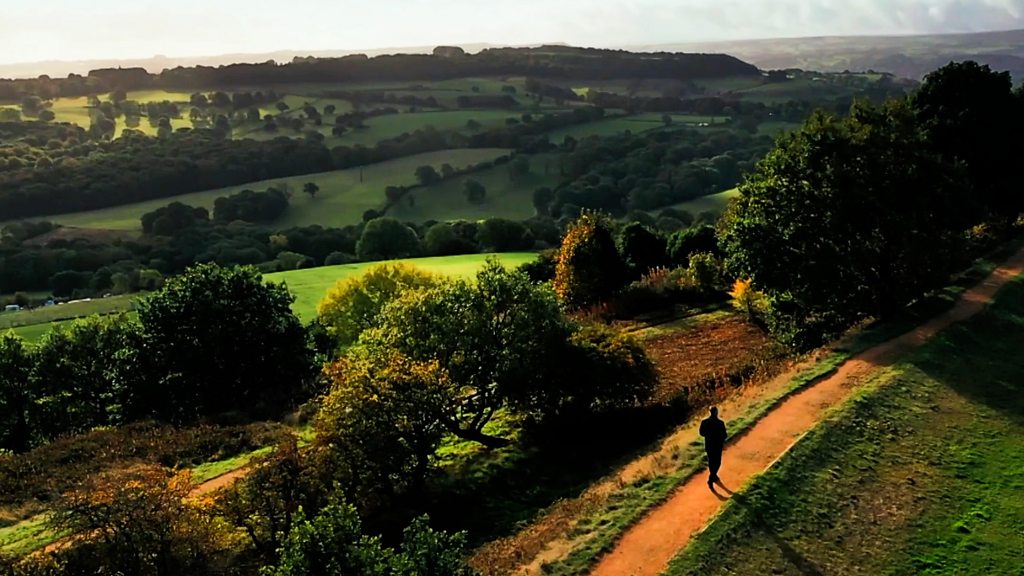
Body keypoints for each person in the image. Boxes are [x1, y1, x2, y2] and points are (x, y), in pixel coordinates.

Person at [699, 406, 727, 488]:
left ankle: (713, 476)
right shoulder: (720, 423)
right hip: (717, 446)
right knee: (717, 463)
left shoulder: (704, 422)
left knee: (711, 462)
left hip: (709, 445)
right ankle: (711, 478)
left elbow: (701, 433)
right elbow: (724, 435)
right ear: (716, 412)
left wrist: (708, 436)